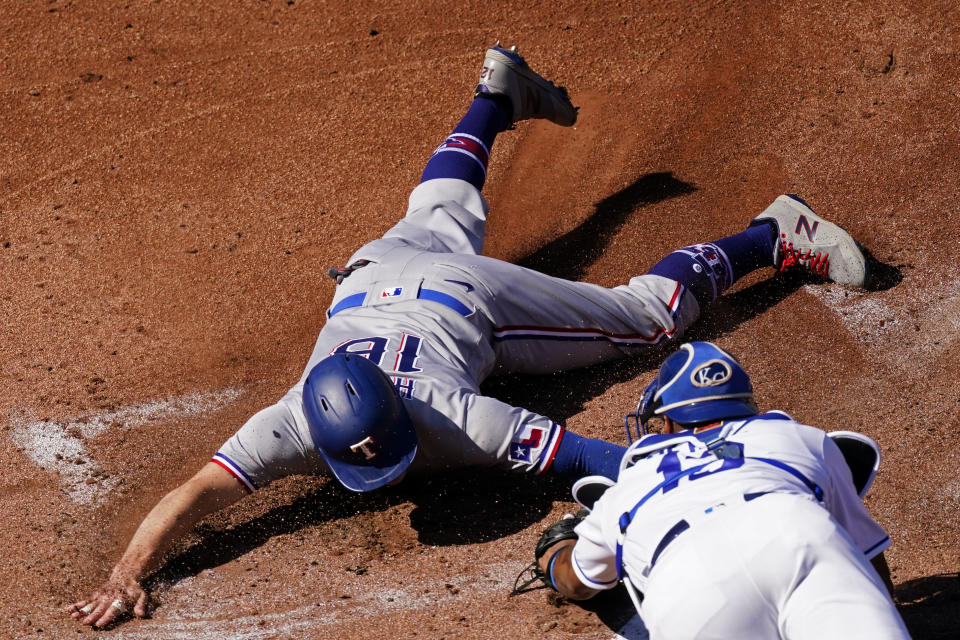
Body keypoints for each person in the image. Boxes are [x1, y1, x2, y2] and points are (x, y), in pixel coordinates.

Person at [67, 43, 871, 627]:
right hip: (375, 273)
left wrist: (697, 492)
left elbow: (586, 457)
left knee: (646, 318)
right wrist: (128, 572)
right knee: (437, 212)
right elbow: (194, 497)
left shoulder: (455, 417)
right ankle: (497, 92)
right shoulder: (291, 423)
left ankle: (770, 235)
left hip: (460, 297)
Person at [536, 341, 910, 639]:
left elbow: (576, 582)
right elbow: (867, 552)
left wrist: (555, 553)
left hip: (686, 579)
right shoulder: (801, 438)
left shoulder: (630, 486)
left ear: (668, 422)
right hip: (795, 528)